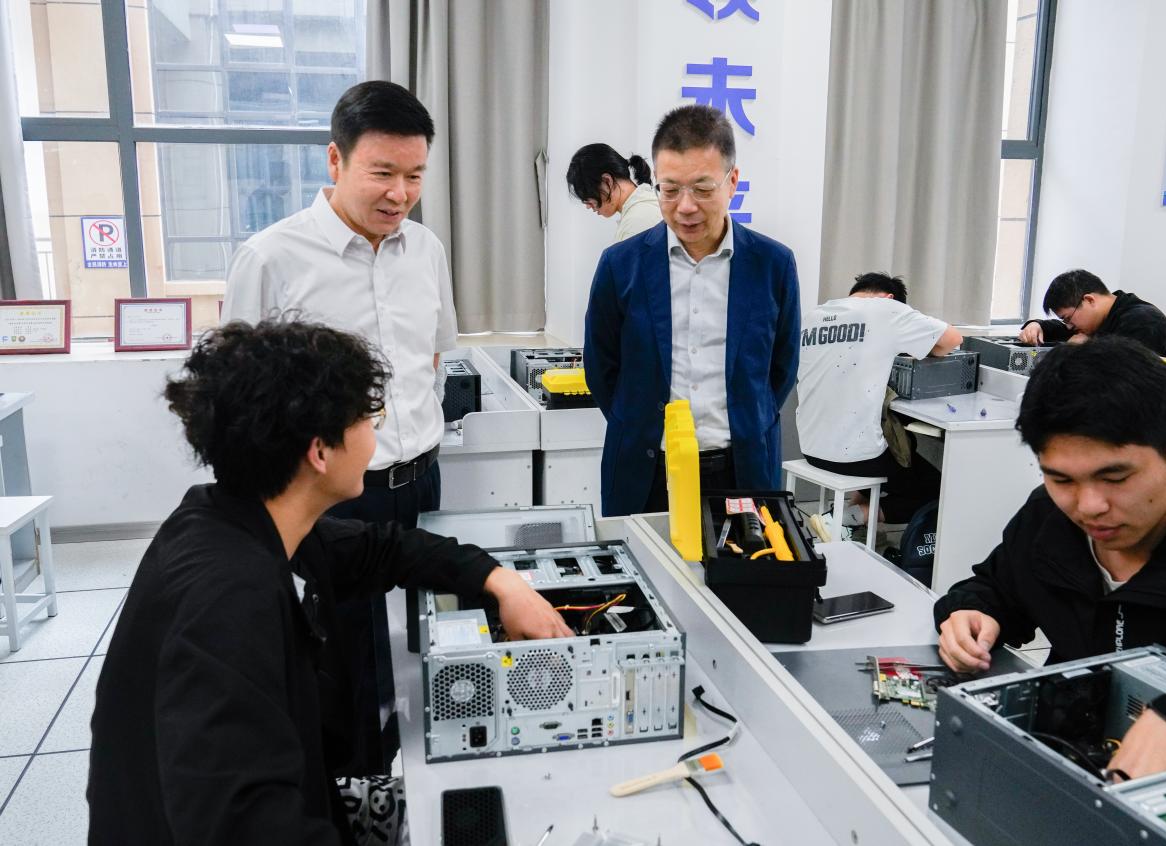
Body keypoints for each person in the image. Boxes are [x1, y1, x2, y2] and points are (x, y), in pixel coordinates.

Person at [87, 319, 570, 845]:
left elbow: (386, 547)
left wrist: (503, 583)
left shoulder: (241, 520)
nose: (376, 434)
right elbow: (242, 824)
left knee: (482, 802)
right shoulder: (228, 603)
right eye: (369, 417)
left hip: (304, 795)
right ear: (319, 452)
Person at [223, 80, 455, 771]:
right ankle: (354, 795)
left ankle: (420, 786)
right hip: (332, 502)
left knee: (431, 646)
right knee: (346, 665)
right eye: (381, 173)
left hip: (422, 481)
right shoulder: (271, 258)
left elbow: (433, 357)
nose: (399, 193)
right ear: (335, 159)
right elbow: (238, 400)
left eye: (414, 175)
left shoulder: (427, 249)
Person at [934, 337, 1166, 780]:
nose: (1089, 506)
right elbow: (996, 585)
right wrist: (973, 612)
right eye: (1062, 479)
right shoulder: (1048, 519)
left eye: (1115, 477)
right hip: (1070, 762)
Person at [583, 105, 801, 516]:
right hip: (646, 473)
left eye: (702, 189)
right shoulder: (620, 266)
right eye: (669, 189)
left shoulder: (773, 265)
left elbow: (781, 369)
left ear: (732, 181)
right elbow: (601, 368)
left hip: (742, 471)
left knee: (747, 560)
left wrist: (748, 423)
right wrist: (638, 424)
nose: (685, 206)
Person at [795, 272, 962, 525]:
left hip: (811, 448)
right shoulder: (886, 309)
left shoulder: (813, 315)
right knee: (939, 490)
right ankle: (850, 518)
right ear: (890, 298)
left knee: (885, 447)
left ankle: (848, 519)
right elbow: (952, 340)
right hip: (857, 458)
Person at [1017, 268, 1166, 448]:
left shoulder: (1142, 321)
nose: (1069, 326)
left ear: (1089, 300)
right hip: (1135, 415)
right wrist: (1037, 325)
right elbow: (1064, 330)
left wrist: (1079, 350)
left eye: (1068, 318)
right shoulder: (1108, 314)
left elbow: (1117, 376)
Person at [566, 142, 663, 242]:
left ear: (607, 181)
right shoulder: (642, 209)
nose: (588, 206)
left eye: (587, 194)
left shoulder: (638, 220)